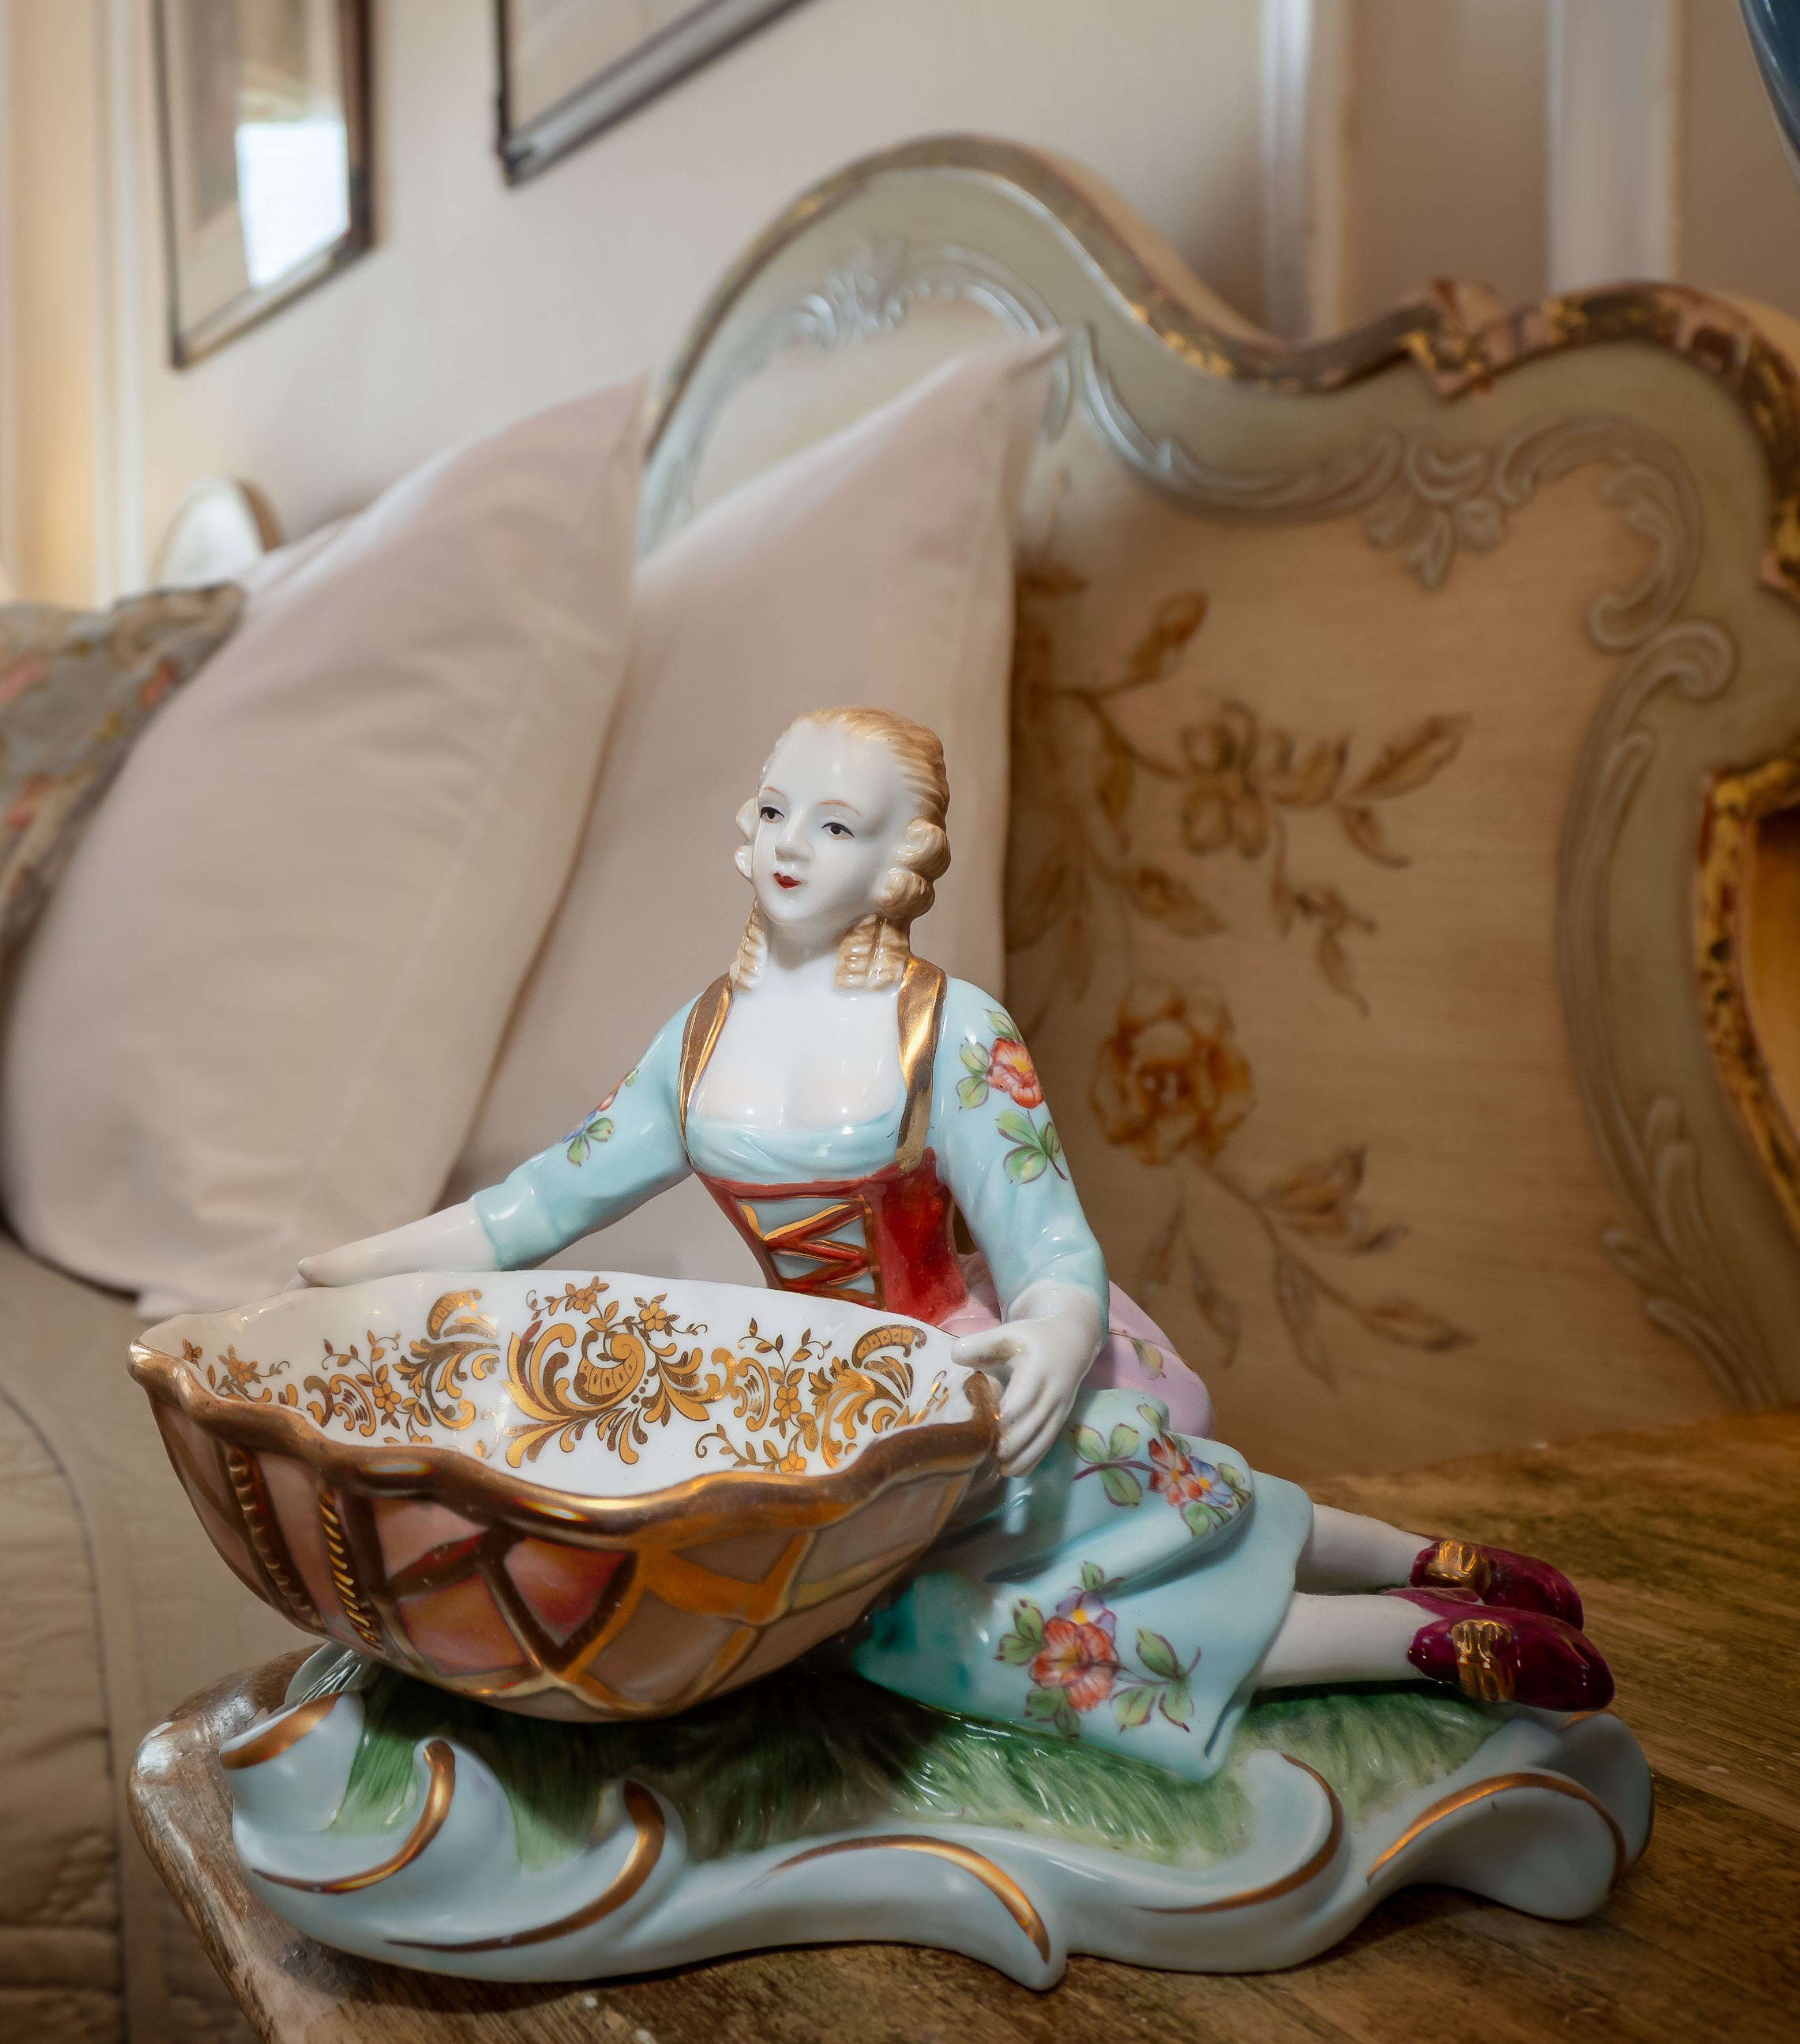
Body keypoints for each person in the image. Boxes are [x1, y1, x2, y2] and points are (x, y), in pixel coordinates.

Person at [299, 706, 1607, 1777]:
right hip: (812, 1409)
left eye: (835, 824)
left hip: (965, 1376)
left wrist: (1056, 1334)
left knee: (1144, 1526)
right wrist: (337, 1283)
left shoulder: (949, 1030)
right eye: (775, 810)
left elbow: (1052, 1250)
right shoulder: (695, 1042)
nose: (791, 844)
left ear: (899, 859)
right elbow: (532, 1209)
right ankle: (1409, 1632)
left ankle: (1428, 1580)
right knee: (977, 1619)